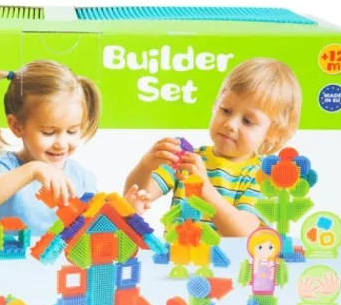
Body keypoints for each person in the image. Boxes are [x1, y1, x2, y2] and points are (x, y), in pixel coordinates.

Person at [124, 58, 302, 237]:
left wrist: (204, 190)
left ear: (273, 132)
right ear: (216, 104)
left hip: (226, 256)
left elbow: (244, 234)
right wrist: (146, 165)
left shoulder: (262, 177)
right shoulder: (189, 160)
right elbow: (134, 198)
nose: (230, 124)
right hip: (178, 253)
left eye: (247, 121)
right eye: (226, 110)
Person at [0, 59, 101, 235]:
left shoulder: (82, 177)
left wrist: (130, 211)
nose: (61, 143)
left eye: (72, 131)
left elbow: (95, 229)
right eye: (48, 132)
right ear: (17, 126)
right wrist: (32, 170)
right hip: (14, 254)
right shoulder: (7, 166)